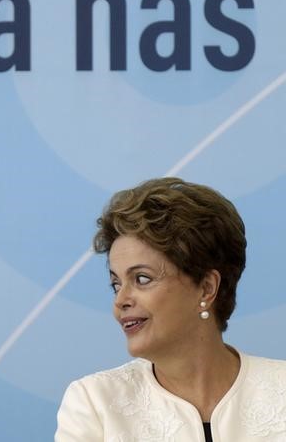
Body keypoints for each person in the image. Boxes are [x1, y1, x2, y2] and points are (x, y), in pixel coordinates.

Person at [55, 177, 286, 442]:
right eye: (116, 284)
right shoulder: (94, 402)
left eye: (142, 278)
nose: (121, 301)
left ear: (206, 288)